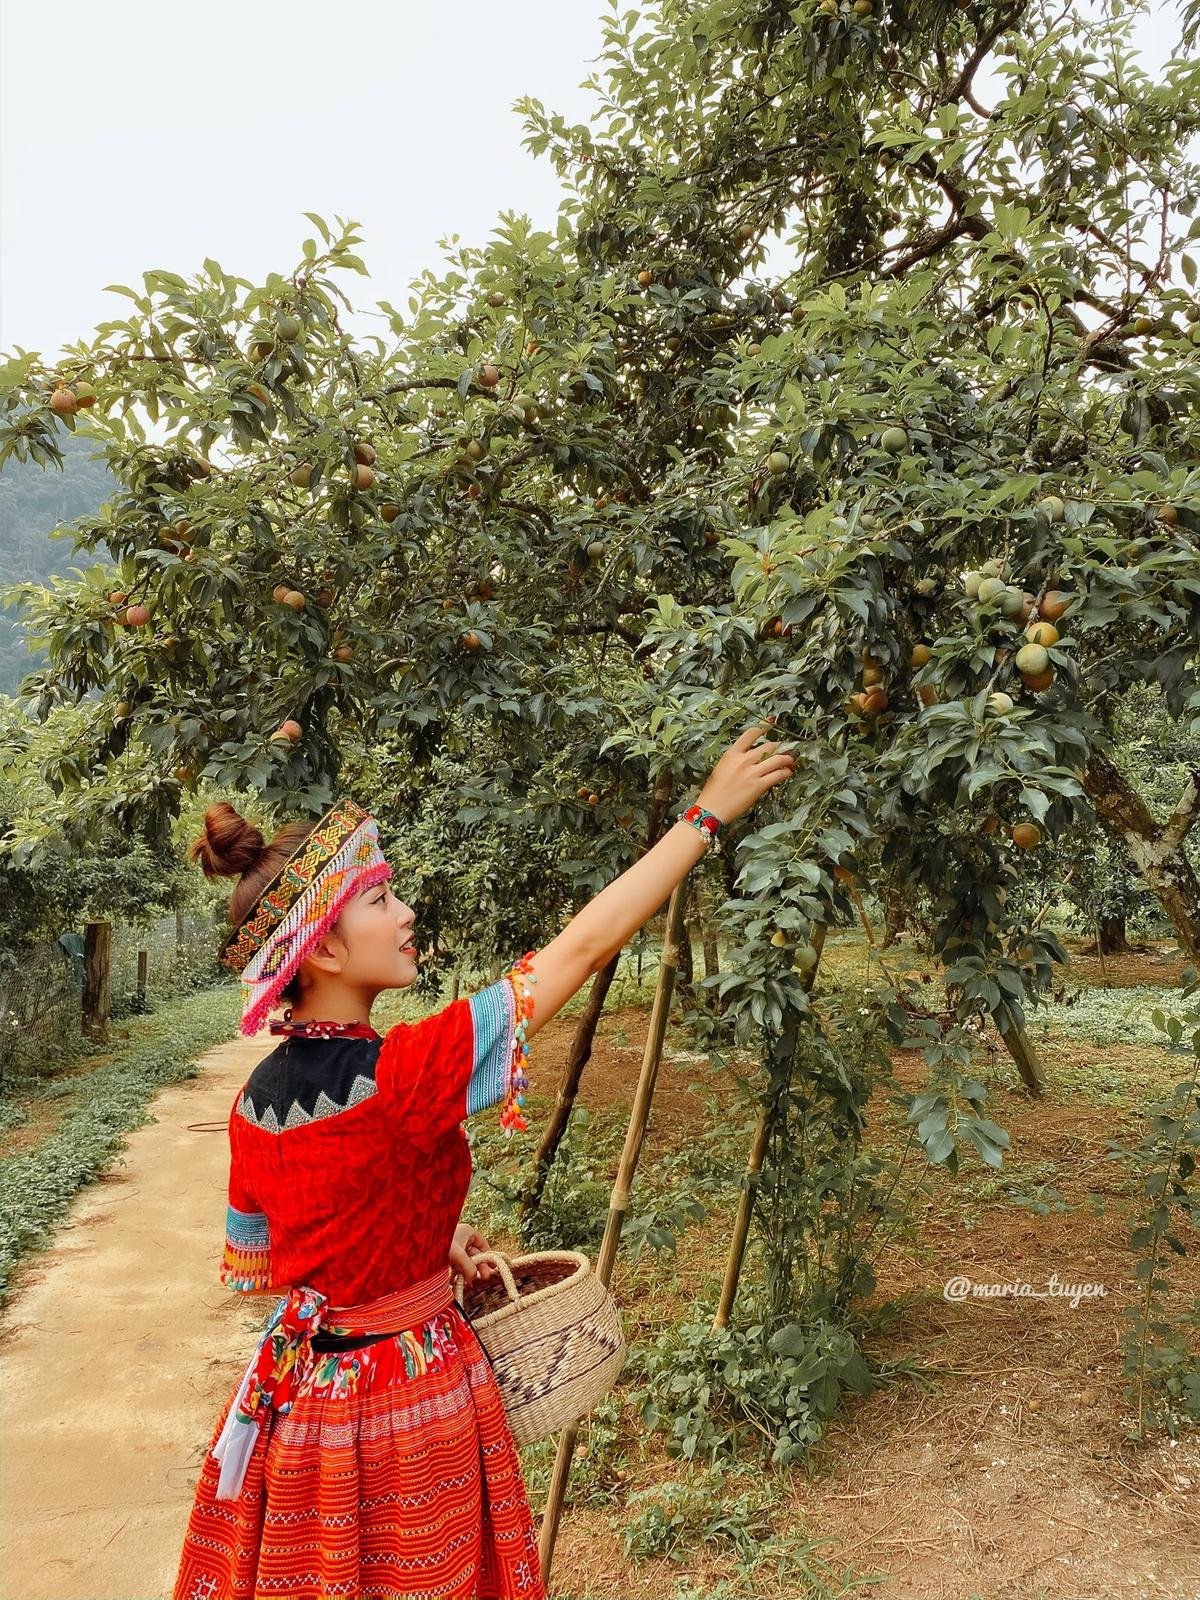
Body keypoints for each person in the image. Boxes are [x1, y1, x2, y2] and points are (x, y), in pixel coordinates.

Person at [172, 725, 795, 1600]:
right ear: (322, 949)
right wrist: (705, 814)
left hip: (305, 1403)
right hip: (405, 1404)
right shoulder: (400, 1075)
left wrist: (426, 1235)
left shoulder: (253, 1105)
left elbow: (279, 1258)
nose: (405, 912)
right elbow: (576, 952)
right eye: (380, 898)